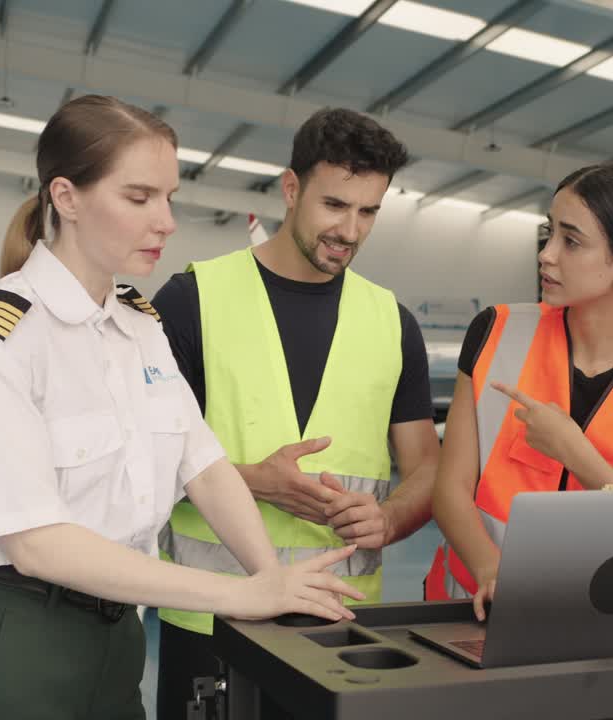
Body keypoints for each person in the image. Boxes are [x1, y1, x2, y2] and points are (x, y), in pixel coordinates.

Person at [0, 95, 363, 720]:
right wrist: (240, 595)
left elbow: (204, 467)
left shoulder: (139, 327)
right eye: (139, 197)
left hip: (117, 641)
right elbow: (38, 545)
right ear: (66, 198)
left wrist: (271, 581)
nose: (166, 221)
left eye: (169, 197)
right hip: (11, 638)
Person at [150, 107, 440, 717]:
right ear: (290, 189)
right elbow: (142, 462)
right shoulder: (191, 300)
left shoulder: (392, 322)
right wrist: (254, 481)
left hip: (342, 627)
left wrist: (388, 519)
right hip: (213, 621)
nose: (350, 230)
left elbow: (427, 470)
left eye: (368, 212)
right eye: (334, 205)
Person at [425, 163, 613, 621]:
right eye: (549, 233)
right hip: (470, 616)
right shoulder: (495, 333)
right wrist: (492, 572)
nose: (546, 255)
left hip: (608, 626)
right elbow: (450, 489)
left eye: (570, 241)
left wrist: (579, 456)